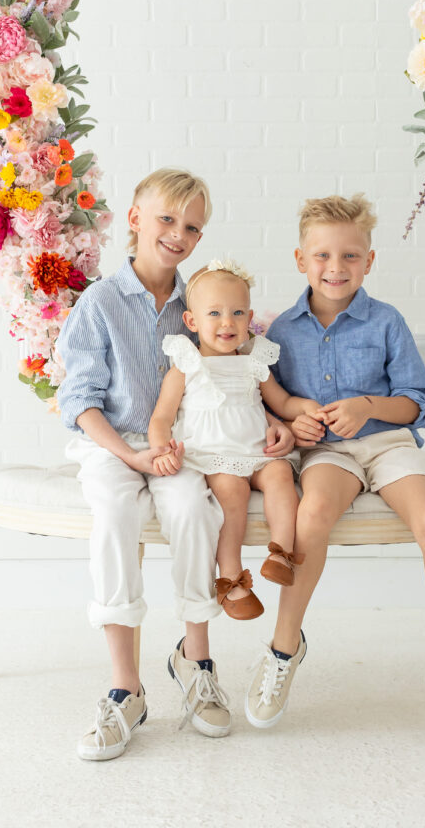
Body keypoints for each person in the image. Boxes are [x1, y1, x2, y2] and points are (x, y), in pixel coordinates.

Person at [57, 169, 292, 760]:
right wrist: (132, 453)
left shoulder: (202, 302)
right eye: (166, 219)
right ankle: (125, 689)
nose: (178, 234)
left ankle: (196, 659)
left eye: (192, 226)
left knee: (193, 506)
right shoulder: (101, 301)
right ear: (134, 217)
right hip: (114, 442)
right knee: (114, 511)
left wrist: (268, 421)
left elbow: (236, 382)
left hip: (182, 446)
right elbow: (79, 400)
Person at [244, 193, 425, 750]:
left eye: (350, 256)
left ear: (369, 262)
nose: (335, 268)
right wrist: (296, 423)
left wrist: (368, 406)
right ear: (301, 259)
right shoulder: (281, 333)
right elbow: (274, 401)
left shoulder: (386, 321)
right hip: (328, 452)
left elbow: (416, 401)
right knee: (314, 512)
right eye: (323, 256)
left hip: (390, 443)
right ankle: (283, 648)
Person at [148, 259, 316, 620]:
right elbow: (161, 417)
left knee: (281, 478)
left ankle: (281, 554)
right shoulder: (186, 363)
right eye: (215, 313)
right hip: (214, 456)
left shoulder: (255, 359)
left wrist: (307, 408)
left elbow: (282, 402)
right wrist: (161, 449)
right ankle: (231, 578)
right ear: (192, 321)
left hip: (260, 451)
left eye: (238, 312)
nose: (228, 322)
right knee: (233, 496)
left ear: (249, 318)